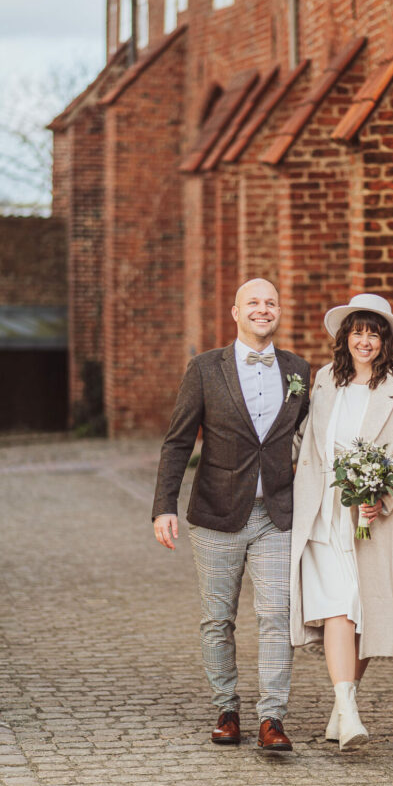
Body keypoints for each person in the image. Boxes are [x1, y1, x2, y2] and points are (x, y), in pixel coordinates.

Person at [152, 279, 310, 752]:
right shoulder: (204, 369)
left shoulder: (299, 370)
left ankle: (272, 718)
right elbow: (178, 440)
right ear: (235, 312)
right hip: (217, 514)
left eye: (271, 303)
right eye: (253, 303)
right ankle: (227, 709)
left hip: (277, 514)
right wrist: (164, 506)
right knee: (217, 619)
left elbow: (312, 440)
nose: (263, 310)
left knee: (277, 616)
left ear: (279, 311)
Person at [290, 294, 393, 751]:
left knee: (364, 612)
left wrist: (380, 495)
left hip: (372, 517)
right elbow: (307, 441)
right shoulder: (326, 379)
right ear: (345, 337)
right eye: (357, 331)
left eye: (373, 332)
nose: (364, 340)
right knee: (339, 605)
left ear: (385, 339)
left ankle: (341, 709)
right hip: (324, 510)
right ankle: (348, 713)